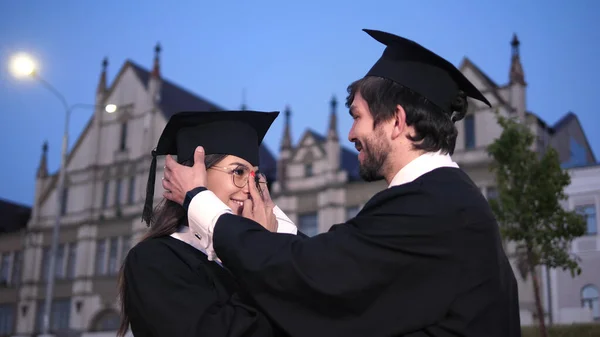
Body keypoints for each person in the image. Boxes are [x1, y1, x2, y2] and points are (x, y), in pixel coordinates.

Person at [162, 29, 521, 337]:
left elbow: (319, 281)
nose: (351, 134)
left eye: (358, 117)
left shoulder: (430, 205)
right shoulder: (447, 199)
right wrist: (271, 230)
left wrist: (197, 199)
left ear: (397, 121)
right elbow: (338, 269)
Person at [117, 110, 297, 337]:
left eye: (256, 177)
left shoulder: (247, 251)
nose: (250, 189)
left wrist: (265, 246)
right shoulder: (154, 260)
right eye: (239, 172)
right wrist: (261, 257)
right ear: (196, 176)